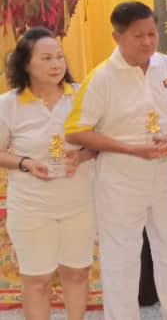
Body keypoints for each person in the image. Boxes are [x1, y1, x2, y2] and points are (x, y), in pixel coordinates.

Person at [64, 1, 167, 319]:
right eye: (138, 36)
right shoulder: (101, 78)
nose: (148, 42)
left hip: (166, 177)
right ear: (117, 37)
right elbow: (76, 132)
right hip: (120, 182)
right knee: (120, 262)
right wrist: (131, 149)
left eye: (152, 33)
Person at [0, 27, 96, 320]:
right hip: (31, 207)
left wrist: (82, 156)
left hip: (79, 204)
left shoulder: (83, 96)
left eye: (59, 57)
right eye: (46, 58)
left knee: (76, 274)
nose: (56, 64)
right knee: (37, 281)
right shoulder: (8, 104)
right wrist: (26, 163)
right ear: (25, 64)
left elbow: (101, 142)